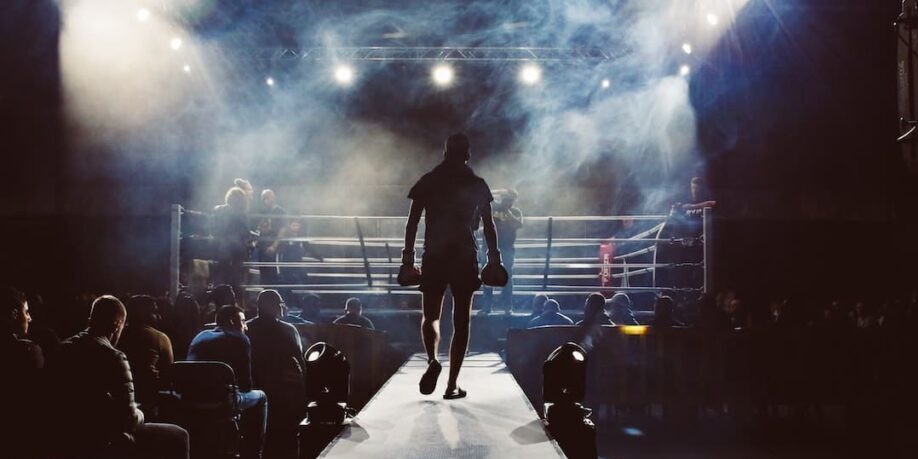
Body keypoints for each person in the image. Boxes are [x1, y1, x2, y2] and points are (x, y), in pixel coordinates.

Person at [402, 133, 502, 400]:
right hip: (463, 255)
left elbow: (412, 223)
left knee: (431, 317)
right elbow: (489, 226)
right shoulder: (477, 184)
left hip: (434, 255)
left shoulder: (429, 181)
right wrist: (495, 258)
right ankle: (451, 385)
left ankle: (433, 360)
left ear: (445, 152)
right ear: (468, 154)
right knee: (462, 322)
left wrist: (407, 260)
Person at [51, 295, 189, 459]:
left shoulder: (63, 348)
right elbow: (128, 419)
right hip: (101, 438)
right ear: (117, 326)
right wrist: (140, 413)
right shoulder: (114, 357)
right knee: (179, 435)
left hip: (64, 435)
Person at [188, 305, 267, 459]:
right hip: (222, 402)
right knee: (261, 397)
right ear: (232, 321)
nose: (246, 327)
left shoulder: (199, 336)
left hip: (190, 400)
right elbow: (245, 385)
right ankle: (253, 453)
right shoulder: (240, 339)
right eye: (243, 321)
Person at [246, 290, 306, 459]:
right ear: (272, 306)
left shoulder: (247, 328)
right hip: (282, 394)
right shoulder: (288, 330)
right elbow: (299, 363)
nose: (282, 307)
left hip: (252, 390)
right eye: (279, 304)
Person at [117, 294, 174, 416]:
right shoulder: (160, 338)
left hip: (118, 399)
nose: (159, 316)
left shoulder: (116, 336)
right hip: (148, 403)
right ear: (143, 314)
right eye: (154, 312)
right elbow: (168, 374)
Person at [481, 189, 523, 314]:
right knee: (488, 275)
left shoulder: (515, 212)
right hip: (489, 247)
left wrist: (508, 212)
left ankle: (507, 307)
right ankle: (487, 307)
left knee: (508, 277)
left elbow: (519, 224)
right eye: (506, 199)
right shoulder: (493, 208)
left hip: (507, 248)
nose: (507, 202)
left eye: (510, 200)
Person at [213, 187, 257, 300]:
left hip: (223, 248)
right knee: (237, 279)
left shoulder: (220, 210)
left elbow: (216, 228)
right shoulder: (242, 214)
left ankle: (220, 302)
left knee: (222, 276)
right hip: (238, 249)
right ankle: (237, 303)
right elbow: (245, 231)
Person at [256, 189, 287, 285]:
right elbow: (259, 228)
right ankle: (265, 297)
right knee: (264, 274)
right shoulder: (262, 212)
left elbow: (283, 230)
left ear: (273, 198)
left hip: (275, 248)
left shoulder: (280, 212)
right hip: (262, 247)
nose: (267, 200)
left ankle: (277, 297)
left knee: (275, 274)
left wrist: (274, 246)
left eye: (269, 197)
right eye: (265, 198)